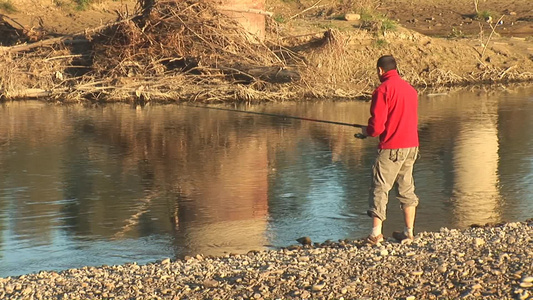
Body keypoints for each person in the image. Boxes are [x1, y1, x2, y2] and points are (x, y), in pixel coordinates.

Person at [360, 55, 419, 244]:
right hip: (412, 146)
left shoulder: (383, 90)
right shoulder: (410, 89)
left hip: (392, 147)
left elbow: (378, 127)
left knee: (379, 187)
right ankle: (408, 232)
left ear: (380, 70)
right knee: (406, 188)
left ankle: (376, 234)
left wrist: (367, 132)